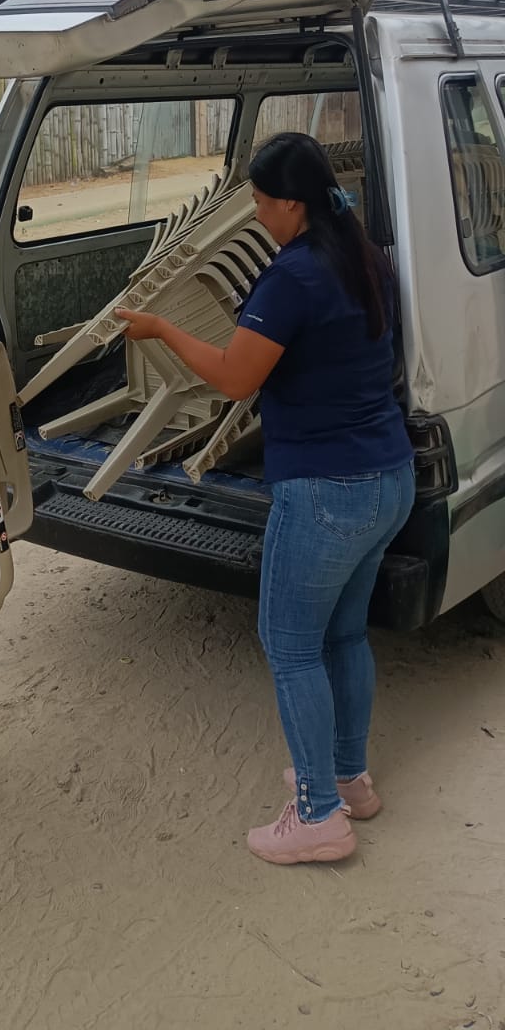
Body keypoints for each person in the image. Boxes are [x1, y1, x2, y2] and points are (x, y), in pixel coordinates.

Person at [116, 132, 414, 867]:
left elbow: (233, 378)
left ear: (291, 204)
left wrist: (161, 328)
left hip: (325, 491)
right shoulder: (364, 256)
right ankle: (348, 780)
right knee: (344, 636)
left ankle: (317, 816)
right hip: (388, 475)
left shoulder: (293, 276)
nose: (254, 213)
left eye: (259, 201)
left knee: (290, 646)